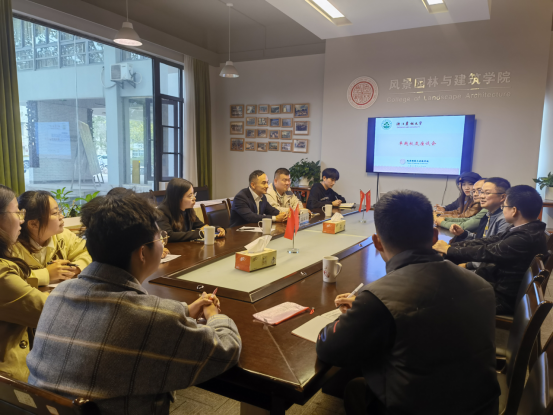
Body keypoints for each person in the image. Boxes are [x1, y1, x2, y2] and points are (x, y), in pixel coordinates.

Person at [27, 193, 242, 414]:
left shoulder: (58, 295)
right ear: (142, 252)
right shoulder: (152, 317)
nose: (162, 243)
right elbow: (226, 349)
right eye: (160, 238)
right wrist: (215, 315)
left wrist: (183, 311)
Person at [316, 190, 499, 415]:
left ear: (377, 242)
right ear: (434, 237)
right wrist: (368, 307)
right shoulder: (482, 285)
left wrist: (365, 309)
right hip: (482, 406)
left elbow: (329, 348)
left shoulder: (377, 299)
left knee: (356, 387)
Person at [434, 185, 548, 315]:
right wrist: (451, 247)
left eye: (504, 206)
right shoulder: (526, 229)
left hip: (501, 299)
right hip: (500, 286)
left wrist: (449, 250)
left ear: (514, 210)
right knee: (449, 278)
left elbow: (486, 251)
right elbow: (488, 241)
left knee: (441, 291)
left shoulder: (524, 237)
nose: (502, 209)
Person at [0, 185, 48, 381]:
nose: (22, 219)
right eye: (17, 212)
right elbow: (46, 312)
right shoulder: (2, 273)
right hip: (8, 381)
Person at [12, 190, 91, 286]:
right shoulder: (12, 246)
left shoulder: (63, 235)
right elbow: (10, 279)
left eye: (59, 211)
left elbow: (87, 252)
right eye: (55, 213)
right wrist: (47, 274)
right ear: (34, 224)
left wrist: (75, 268)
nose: (62, 216)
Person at [157, 178, 225, 242]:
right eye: (190, 196)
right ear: (177, 198)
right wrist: (199, 233)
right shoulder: (162, 211)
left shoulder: (188, 209)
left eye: (193, 194)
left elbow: (201, 226)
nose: (194, 198)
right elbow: (168, 236)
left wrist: (217, 229)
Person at [448, 177, 512, 242]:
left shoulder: (505, 219)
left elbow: (494, 247)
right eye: (481, 192)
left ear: (502, 197)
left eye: (487, 193)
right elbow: (482, 239)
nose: (481, 196)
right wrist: (463, 234)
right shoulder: (489, 214)